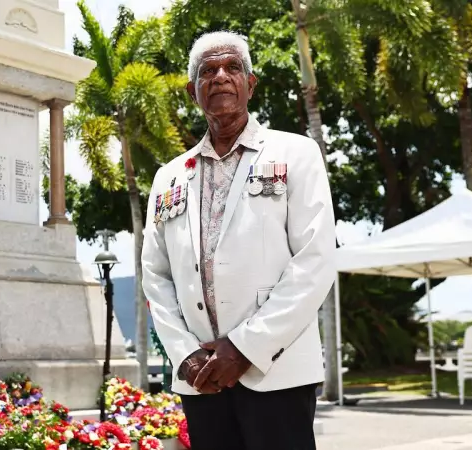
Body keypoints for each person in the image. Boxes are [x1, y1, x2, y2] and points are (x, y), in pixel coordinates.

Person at [141, 30, 336, 450]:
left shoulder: (296, 153)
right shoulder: (169, 177)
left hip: (276, 371)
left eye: (232, 68)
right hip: (202, 377)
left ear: (251, 84)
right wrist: (185, 354)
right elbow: (155, 277)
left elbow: (315, 261)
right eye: (207, 71)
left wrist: (245, 347)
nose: (220, 77)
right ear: (194, 91)